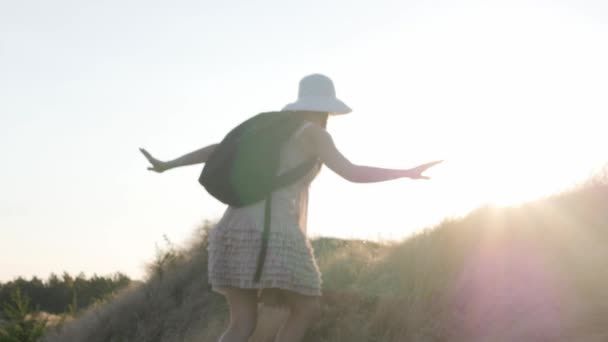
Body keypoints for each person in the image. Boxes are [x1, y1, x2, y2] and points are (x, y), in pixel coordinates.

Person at [140, 74, 441, 342]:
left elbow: (216, 151)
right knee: (306, 307)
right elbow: (352, 173)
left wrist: (169, 164)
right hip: (273, 233)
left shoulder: (273, 131)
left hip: (232, 231)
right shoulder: (314, 134)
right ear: (326, 107)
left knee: (241, 325)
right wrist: (403, 172)